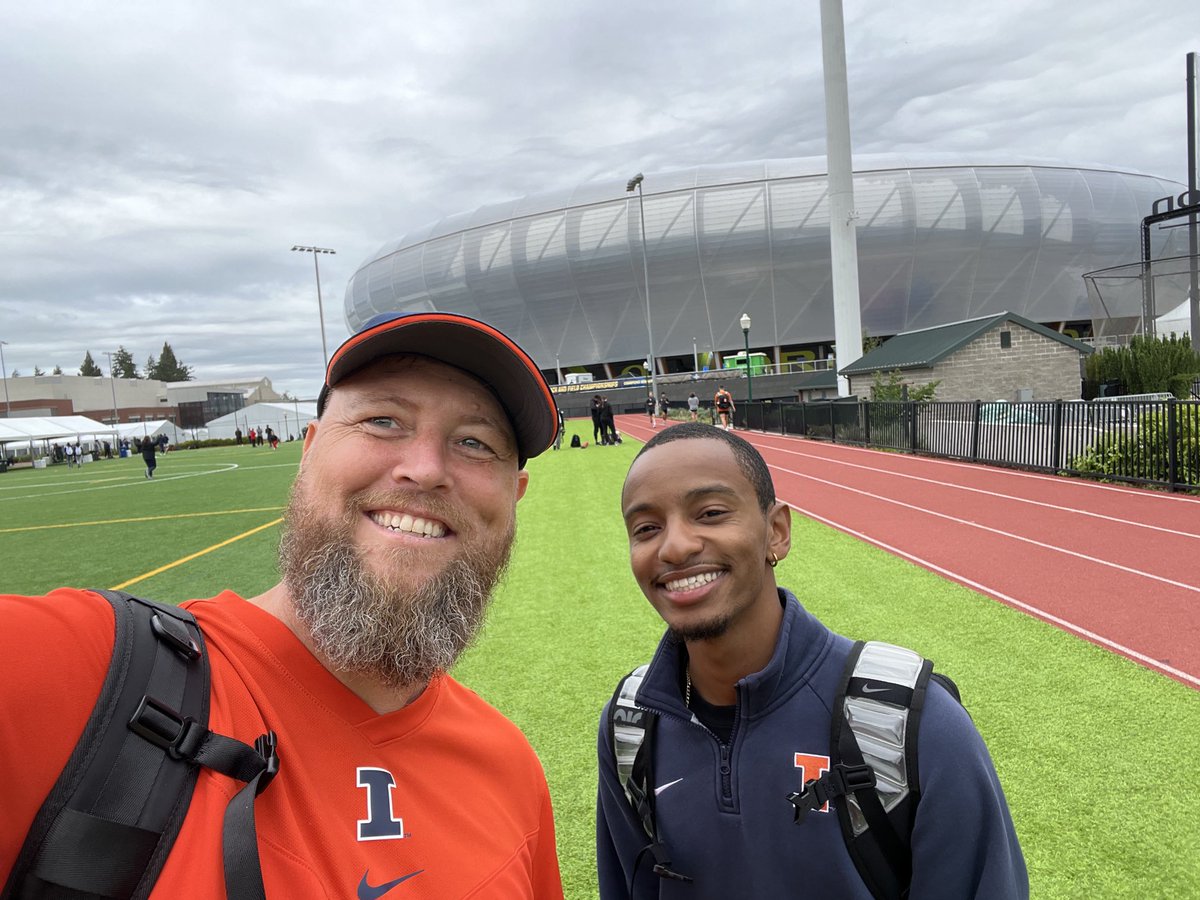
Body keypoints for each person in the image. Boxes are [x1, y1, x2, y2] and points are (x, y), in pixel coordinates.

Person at [1, 312, 565, 898]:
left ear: (514, 497)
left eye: (475, 443)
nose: (424, 470)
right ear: (309, 450)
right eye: (383, 421)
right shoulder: (75, 673)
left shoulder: (509, 771)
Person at [596, 423, 1027, 899]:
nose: (675, 546)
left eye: (711, 513)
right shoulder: (631, 727)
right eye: (647, 528)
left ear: (776, 532)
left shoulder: (911, 723)